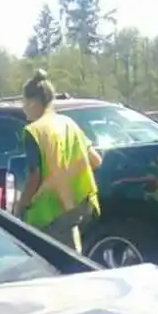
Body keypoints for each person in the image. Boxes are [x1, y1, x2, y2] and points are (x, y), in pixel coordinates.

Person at [14, 72, 102, 252]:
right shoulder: (68, 123)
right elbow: (95, 161)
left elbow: (35, 177)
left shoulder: (33, 131)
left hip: (49, 211)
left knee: (50, 262)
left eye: (23, 103)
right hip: (79, 204)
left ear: (33, 102)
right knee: (73, 255)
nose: (23, 108)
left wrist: (20, 205)